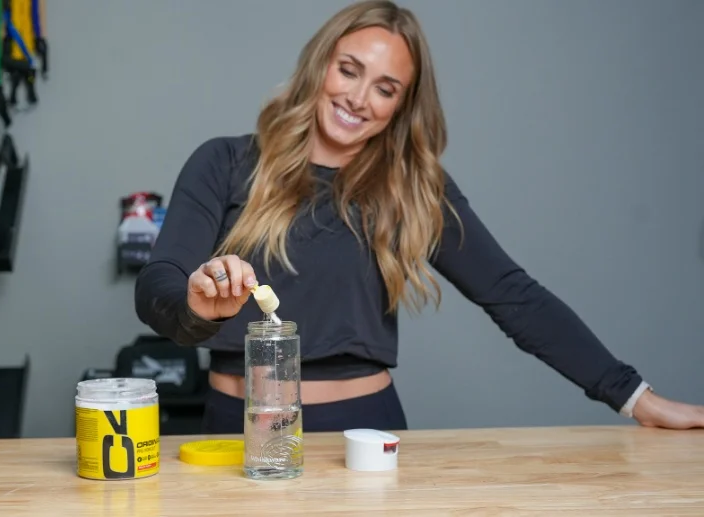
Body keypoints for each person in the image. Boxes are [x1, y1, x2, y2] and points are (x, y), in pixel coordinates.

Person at [135, 0, 704, 433]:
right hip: (237, 429)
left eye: (385, 89)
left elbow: (513, 295)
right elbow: (158, 285)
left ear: (402, 106)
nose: (359, 99)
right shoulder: (225, 162)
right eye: (349, 70)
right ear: (320, 64)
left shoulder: (413, 189)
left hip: (362, 432)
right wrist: (195, 302)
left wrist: (635, 397)